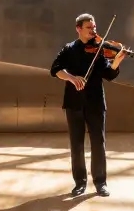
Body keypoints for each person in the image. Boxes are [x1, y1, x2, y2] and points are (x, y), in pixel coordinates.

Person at [49, 13, 128, 197]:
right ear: (78, 28)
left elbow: (108, 74)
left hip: (95, 102)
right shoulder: (68, 49)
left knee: (98, 143)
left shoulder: (100, 50)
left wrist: (116, 62)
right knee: (76, 144)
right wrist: (71, 77)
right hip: (73, 103)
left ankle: (100, 182)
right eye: (89, 28)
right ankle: (80, 183)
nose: (94, 30)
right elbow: (55, 69)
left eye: (94, 27)